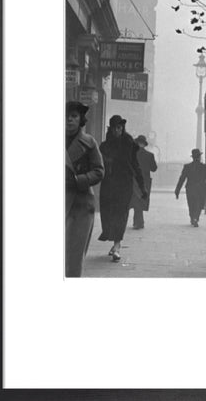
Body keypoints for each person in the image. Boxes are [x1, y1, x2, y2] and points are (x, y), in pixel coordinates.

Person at [98, 115, 147, 261]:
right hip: (108, 185)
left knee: (121, 214)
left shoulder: (129, 144)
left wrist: (142, 187)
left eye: (119, 127)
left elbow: (135, 166)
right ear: (111, 128)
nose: (117, 130)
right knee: (108, 214)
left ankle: (117, 245)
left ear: (122, 128)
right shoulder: (104, 146)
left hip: (124, 185)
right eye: (114, 128)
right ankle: (114, 242)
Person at [65, 101, 104, 277]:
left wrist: (79, 180)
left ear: (80, 119)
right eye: (66, 116)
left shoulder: (89, 143)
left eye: (73, 116)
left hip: (80, 204)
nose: (69, 120)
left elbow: (99, 171)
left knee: (73, 256)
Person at [174, 148, 206, 227]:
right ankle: (196, 218)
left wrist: (177, 190)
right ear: (199, 157)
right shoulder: (204, 167)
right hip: (201, 188)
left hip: (190, 188)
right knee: (199, 204)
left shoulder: (187, 167)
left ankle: (192, 217)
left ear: (193, 157)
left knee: (191, 204)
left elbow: (182, 179)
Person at [129, 135, 157, 229]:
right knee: (141, 200)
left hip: (134, 180)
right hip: (145, 180)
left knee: (136, 200)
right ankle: (139, 222)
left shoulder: (132, 154)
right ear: (144, 145)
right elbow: (154, 169)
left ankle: (138, 222)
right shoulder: (149, 155)